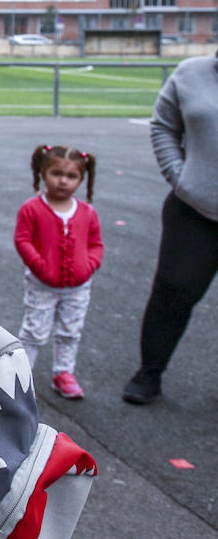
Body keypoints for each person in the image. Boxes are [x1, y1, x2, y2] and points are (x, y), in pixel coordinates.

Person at [123, 52, 218, 405]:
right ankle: (150, 373)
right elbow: (163, 125)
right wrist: (181, 179)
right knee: (172, 293)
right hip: (193, 210)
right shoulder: (191, 73)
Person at [13, 144, 102, 400]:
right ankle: (22, 376)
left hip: (78, 288)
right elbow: (23, 240)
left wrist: (89, 266)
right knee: (33, 332)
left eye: (71, 176)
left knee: (70, 331)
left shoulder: (88, 213)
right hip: (42, 286)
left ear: (81, 180)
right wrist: (40, 265)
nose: (63, 181)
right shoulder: (32, 208)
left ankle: (64, 373)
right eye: (56, 173)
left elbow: (96, 244)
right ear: (43, 173)